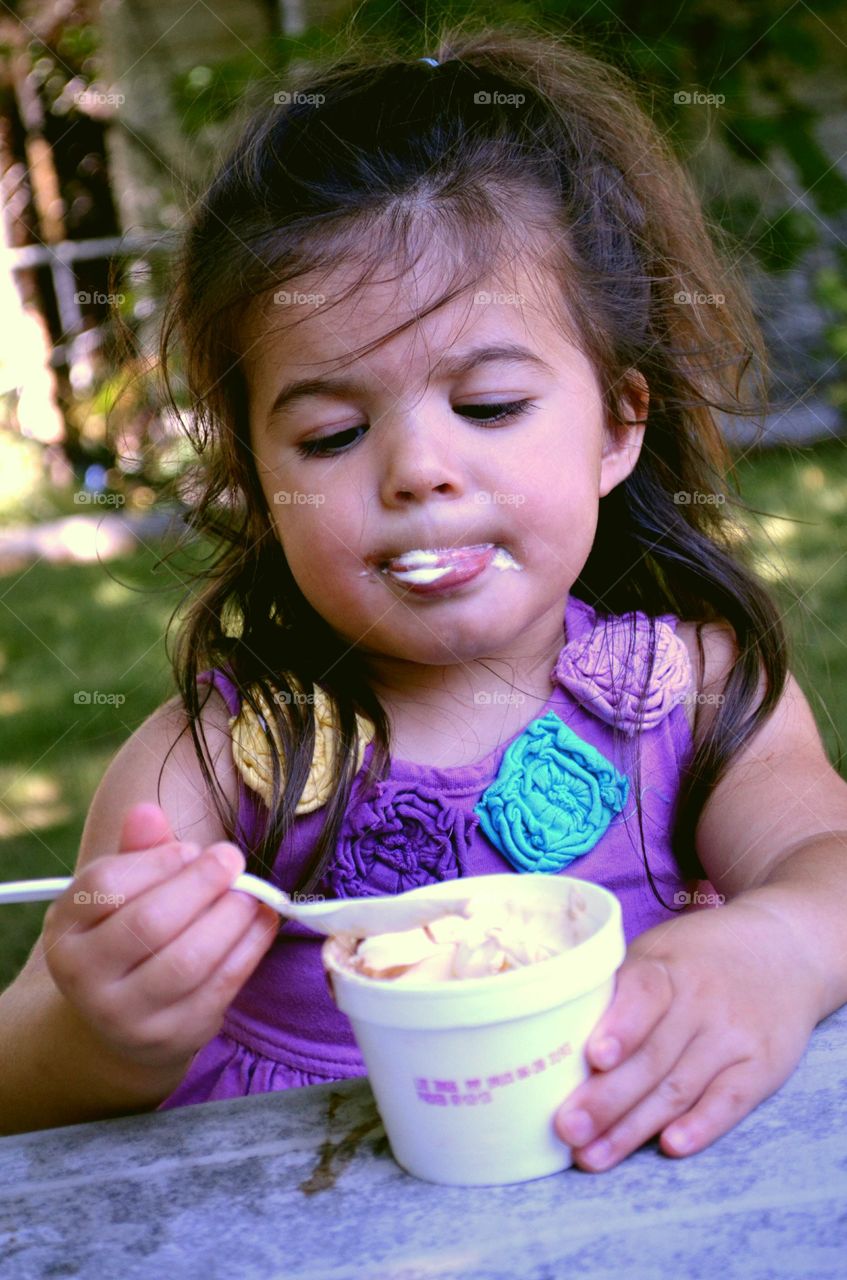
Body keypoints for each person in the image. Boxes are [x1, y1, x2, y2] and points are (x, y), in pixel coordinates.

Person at [2, 26, 846, 1175]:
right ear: (261, 482)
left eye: (489, 404)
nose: (416, 470)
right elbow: (18, 1068)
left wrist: (781, 944)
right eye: (333, 433)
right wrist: (96, 1034)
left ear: (615, 422)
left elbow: (824, 851)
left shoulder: (687, 697)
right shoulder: (216, 764)